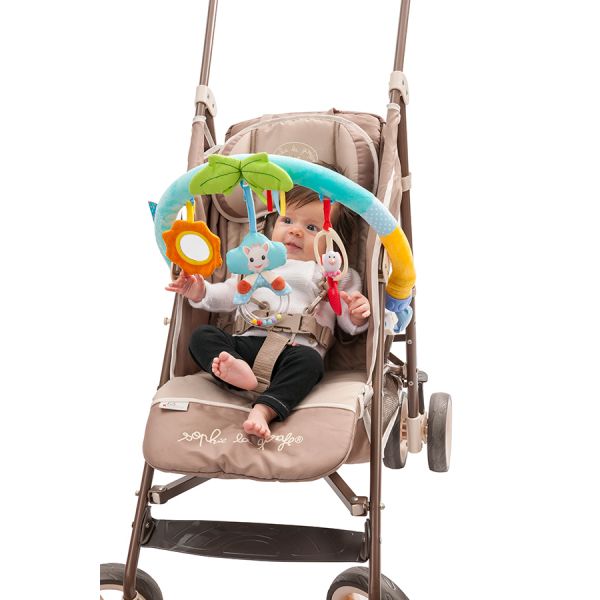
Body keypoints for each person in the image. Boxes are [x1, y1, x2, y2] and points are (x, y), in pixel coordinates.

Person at [166, 186, 370, 440]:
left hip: (294, 352)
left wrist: (357, 314)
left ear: (333, 245)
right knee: (202, 336)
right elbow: (228, 295)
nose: (295, 231)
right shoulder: (255, 262)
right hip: (245, 345)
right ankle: (236, 372)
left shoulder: (334, 275)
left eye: (311, 228)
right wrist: (200, 291)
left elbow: (348, 321)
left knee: (311, 364)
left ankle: (264, 410)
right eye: (287, 220)